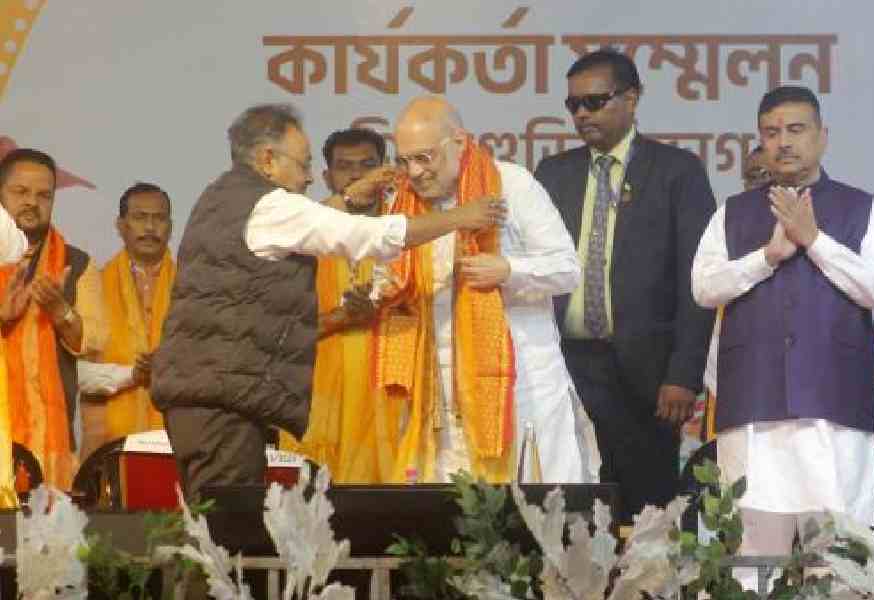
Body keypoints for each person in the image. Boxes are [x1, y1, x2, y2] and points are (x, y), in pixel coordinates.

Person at [151, 104, 505, 500]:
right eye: (302, 164)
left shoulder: (225, 196)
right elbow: (368, 236)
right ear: (268, 160)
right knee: (229, 535)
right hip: (222, 403)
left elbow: (309, 222)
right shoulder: (269, 204)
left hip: (205, 396)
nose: (306, 178)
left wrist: (350, 197)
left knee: (217, 526)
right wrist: (461, 217)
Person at [692, 85, 874, 587]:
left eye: (796, 130)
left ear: (822, 137)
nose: (783, 142)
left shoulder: (859, 208)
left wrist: (814, 240)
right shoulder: (732, 212)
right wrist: (769, 256)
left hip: (833, 406)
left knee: (838, 553)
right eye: (771, 132)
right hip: (753, 408)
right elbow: (704, 287)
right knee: (752, 556)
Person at [371, 95, 599, 485]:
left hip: (520, 385)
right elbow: (386, 273)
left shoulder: (511, 185)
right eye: (405, 160)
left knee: (533, 515)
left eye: (425, 158)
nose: (415, 172)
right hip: (436, 397)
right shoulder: (402, 204)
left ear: (458, 142)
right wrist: (385, 290)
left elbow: (566, 269)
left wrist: (509, 270)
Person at [534, 48, 716, 519]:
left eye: (594, 101)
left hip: (648, 377)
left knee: (646, 517)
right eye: (573, 104)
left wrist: (683, 374)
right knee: (569, 511)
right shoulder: (553, 174)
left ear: (631, 99)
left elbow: (695, 282)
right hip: (567, 367)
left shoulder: (677, 171)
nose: (581, 114)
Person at [280, 128, 390, 482]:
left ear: (385, 171)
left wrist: (379, 314)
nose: (357, 176)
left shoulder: (408, 232)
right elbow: (279, 331)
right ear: (327, 176)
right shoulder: (302, 240)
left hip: (388, 400)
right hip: (319, 399)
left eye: (367, 165)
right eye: (345, 167)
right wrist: (342, 318)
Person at [0, 148, 108, 490]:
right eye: (21, 192)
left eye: (43, 195)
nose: (32, 202)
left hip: (51, 446)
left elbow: (93, 341)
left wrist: (61, 311)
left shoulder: (77, 265)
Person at [77, 182, 175, 460]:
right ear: (121, 226)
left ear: (170, 226)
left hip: (177, 445)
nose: (149, 227)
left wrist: (170, 369)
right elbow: (76, 374)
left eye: (159, 218)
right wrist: (132, 375)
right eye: (139, 217)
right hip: (106, 449)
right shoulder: (91, 285)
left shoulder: (194, 290)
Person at [701, 146, 771, 441]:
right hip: (732, 373)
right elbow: (705, 289)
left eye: (767, 175)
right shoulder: (728, 224)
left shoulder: (811, 226)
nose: (759, 183)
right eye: (752, 176)